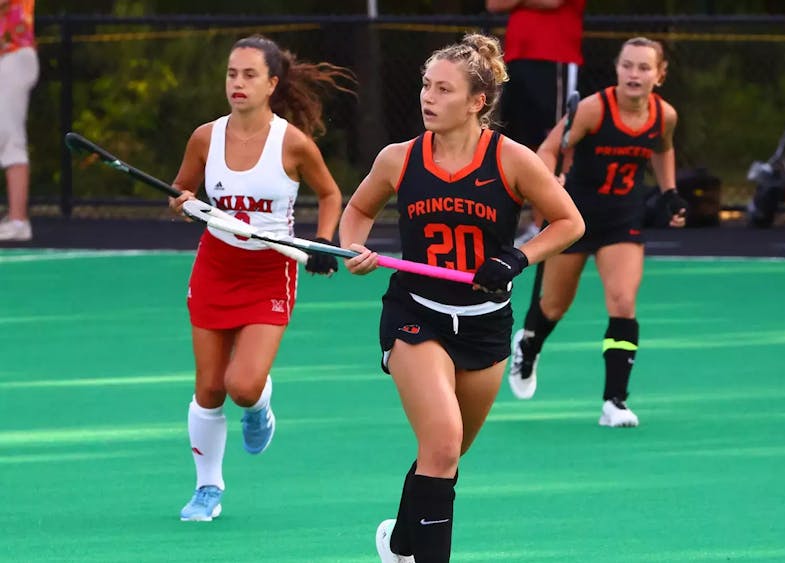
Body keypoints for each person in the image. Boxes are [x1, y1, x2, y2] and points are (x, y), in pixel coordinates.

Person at [338, 33, 584, 563]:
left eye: (443, 89)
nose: (428, 97)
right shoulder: (398, 159)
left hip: (484, 324)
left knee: (446, 453)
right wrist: (352, 248)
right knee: (445, 442)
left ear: (477, 101)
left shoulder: (512, 160)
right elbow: (357, 211)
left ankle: (400, 543)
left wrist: (517, 258)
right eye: (426, 85)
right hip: (415, 314)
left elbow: (569, 222)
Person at [168, 35, 353, 521]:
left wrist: (322, 242)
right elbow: (180, 191)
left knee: (243, 386)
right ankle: (208, 488)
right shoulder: (205, 137)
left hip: (271, 270)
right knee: (209, 387)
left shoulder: (292, 142)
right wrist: (185, 203)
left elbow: (331, 194)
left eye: (250, 75)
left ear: (272, 84)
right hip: (215, 265)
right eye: (232, 74)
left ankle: (259, 407)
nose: (238, 83)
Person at [507, 36, 687, 428]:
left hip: (623, 220)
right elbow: (548, 149)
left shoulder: (664, 115)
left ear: (659, 75)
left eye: (643, 67)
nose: (634, 74)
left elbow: (663, 147)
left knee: (623, 302)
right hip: (573, 220)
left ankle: (615, 401)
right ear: (617, 68)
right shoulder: (593, 109)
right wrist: (548, 181)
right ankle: (529, 344)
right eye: (627, 65)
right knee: (553, 306)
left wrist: (670, 191)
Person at [485, 0, 585, 245]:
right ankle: (536, 222)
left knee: (558, 139)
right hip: (518, 58)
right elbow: (494, 4)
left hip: (555, 57)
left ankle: (557, 221)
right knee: (521, 143)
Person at [0, 0, 39, 242]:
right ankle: (16, 219)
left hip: (15, 55)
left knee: (10, 137)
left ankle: (18, 221)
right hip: (8, 55)